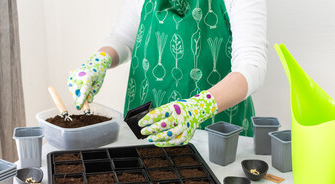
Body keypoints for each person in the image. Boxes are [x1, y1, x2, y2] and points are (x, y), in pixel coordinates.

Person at [68, 0, 267, 147]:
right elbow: (123, 37)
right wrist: (100, 60)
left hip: (217, 132)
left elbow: (252, 65)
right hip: (147, 124)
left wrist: (198, 108)